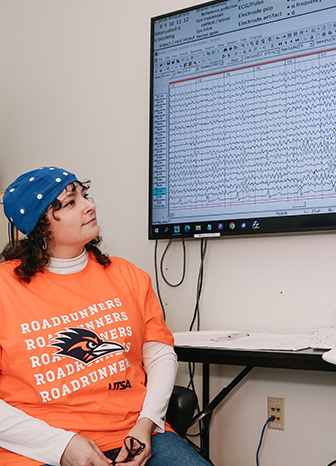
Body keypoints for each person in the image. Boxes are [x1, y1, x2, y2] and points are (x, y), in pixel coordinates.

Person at [0, 166, 210, 466]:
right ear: (39, 225)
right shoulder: (4, 288)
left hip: (134, 434)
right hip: (38, 447)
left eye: (85, 195)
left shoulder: (128, 275)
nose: (90, 205)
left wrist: (147, 422)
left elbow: (160, 355)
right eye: (71, 202)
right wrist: (62, 445)